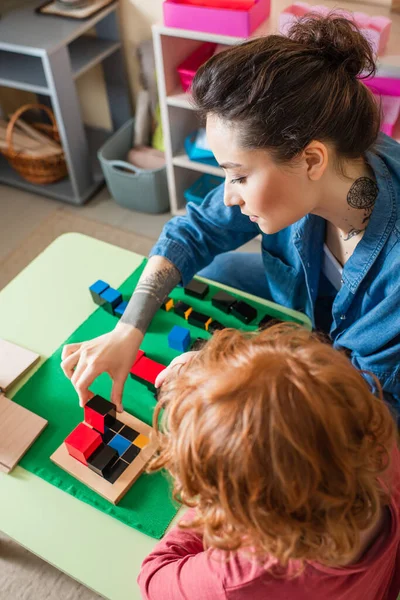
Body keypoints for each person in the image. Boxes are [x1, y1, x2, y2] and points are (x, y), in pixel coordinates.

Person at [61, 14, 400, 414]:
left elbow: (361, 396)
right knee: (217, 276)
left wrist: (233, 370)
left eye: (238, 176)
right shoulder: (324, 146)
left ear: (311, 159)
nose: (227, 198)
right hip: (313, 311)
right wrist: (127, 328)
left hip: (375, 392)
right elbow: (194, 231)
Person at [138, 324, 400, 600]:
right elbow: (290, 412)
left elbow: (153, 579)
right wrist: (218, 377)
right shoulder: (377, 448)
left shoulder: (243, 577)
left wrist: (212, 488)